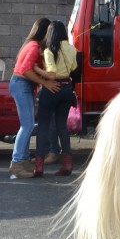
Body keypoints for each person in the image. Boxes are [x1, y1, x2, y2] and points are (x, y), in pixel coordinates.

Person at [8, 17, 58, 179]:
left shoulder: (30, 45)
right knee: (27, 125)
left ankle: (22, 161)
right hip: (21, 84)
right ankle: (17, 162)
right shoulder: (34, 47)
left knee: (28, 125)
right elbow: (25, 70)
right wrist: (45, 82)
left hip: (22, 85)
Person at [35, 20, 78, 177]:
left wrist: (36, 68)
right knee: (62, 126)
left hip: (52, 87)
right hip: (67, 88)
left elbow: (51, 72)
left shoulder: (48, 50)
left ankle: (39, 166)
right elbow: (73, 68)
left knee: (43, 126)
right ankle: (67, 164)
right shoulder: (72, 49)